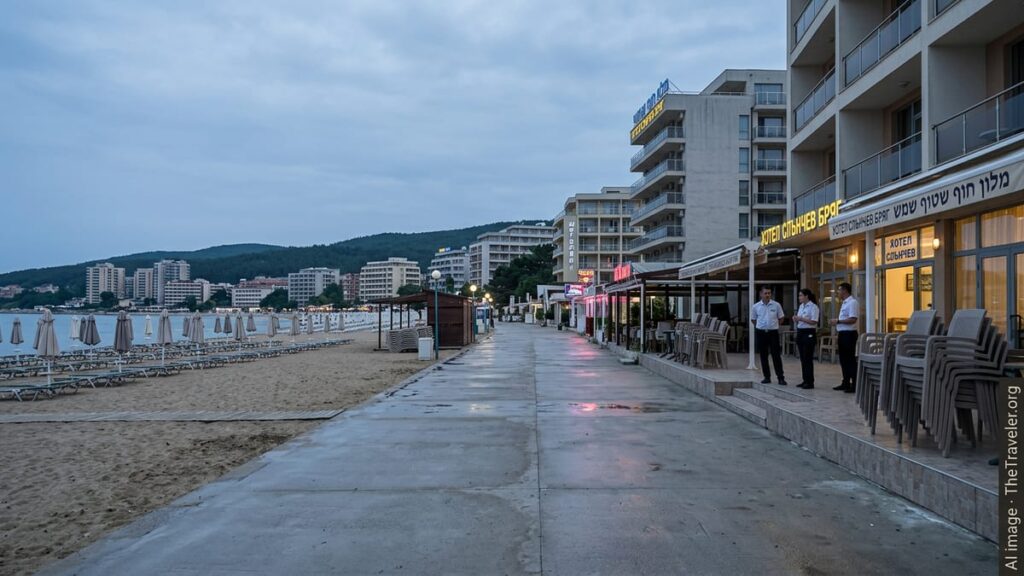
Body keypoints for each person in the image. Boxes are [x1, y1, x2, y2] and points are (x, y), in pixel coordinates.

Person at [750, 286, 786, 386]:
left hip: (773, 333)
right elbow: (753, 320)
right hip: (761, 333)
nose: (767, 295)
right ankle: (767, 377)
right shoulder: (756, 306)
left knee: (776, 356)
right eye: (765, 293)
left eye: (769, 293)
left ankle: (780, 377)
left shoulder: (776, 305)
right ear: (761, 294)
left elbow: (781, 317)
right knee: (763, 356)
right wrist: (761, 326)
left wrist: (774, 325)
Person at [830, 282, 859, 393]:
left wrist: (838, 321)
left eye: (839, 290)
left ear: (845, 290)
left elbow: (853, 319)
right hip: (842, 333)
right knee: (843, 360)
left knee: (850, 359)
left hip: (849, 334)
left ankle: (854, 384)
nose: (838, 292)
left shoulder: (852, 303)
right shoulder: (844, 303)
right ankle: (845, 382)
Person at [792, 288, 820, 389]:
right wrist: (796, 319)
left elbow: (814, 321)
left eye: (801, 295)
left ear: (806, 296)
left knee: (808, 358)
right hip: (801, 332)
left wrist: (801, 319)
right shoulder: (801, 306)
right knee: (803, 358)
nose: (799, 297)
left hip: (809, 333)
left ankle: (810, 381)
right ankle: (805, 380)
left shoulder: (813, 307)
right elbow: (800, 320)